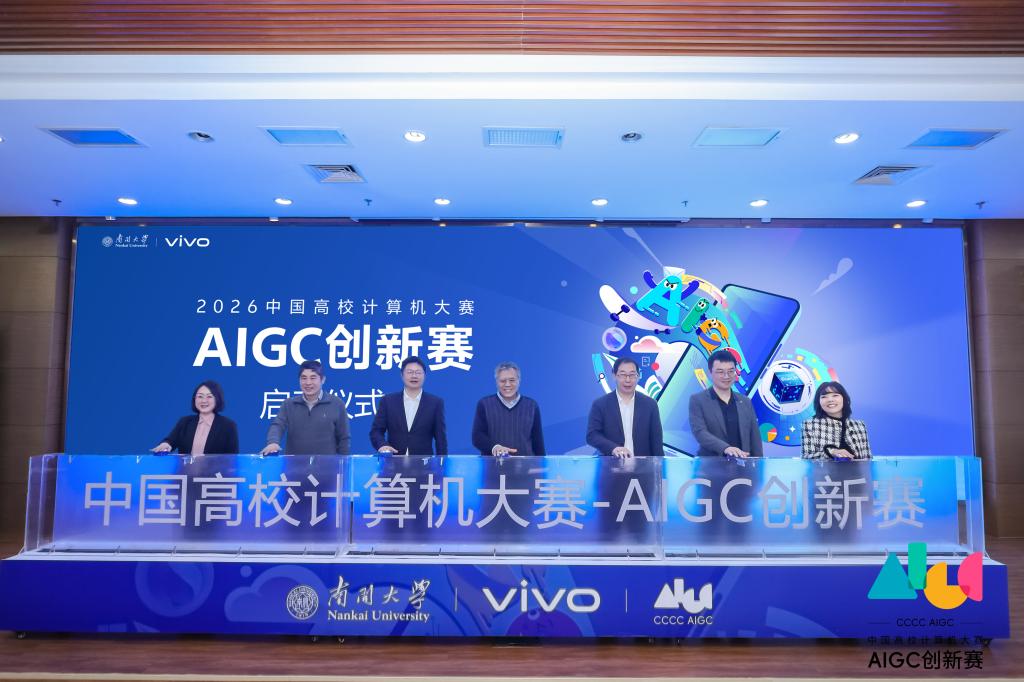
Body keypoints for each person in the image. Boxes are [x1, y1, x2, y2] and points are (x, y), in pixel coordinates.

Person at [260, 360, 351, 455]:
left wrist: (344, 461)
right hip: (294, 463)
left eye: (313, 378)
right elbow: (278, 425)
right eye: (304, 378)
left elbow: (344, 438)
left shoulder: (337, 404)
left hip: (327, 464)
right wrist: (273, 442)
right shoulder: (289, 404)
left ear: (323, 380)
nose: (308, 382)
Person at [688, 349, 763, 458]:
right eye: (720, 372)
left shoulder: (745, 401)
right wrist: (725, 448)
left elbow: (755, 438)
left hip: (742, 464)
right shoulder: (698, 400)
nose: (726, 376)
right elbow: (700, 433)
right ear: (710, 373)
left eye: (731, 371)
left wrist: (759, 463)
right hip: (711, 464)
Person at [586, 357, 664, 458]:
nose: (628, 380)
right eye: (623, 375)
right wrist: (613, 448)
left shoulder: (650, 405)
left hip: (643, 466)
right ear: (614, 375)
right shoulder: (600, 404)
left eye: (632, 375)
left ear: (638, 376)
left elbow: (656, 441)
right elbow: (592, 435)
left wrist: (660, 465)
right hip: (611, 465)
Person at [370, 356, 448, 455]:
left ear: (424, 376)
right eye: (410, 372)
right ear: (402, 375)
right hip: (394, 460)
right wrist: (382, 445)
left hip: (423, 462)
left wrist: (442, 462)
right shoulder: (388, 401)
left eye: (418, 372)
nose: (414, 376)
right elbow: (376, 431)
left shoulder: (435, 403)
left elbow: (441, 438)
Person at [472, 361, 545, 457]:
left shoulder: (532, 406)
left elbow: (537, 441)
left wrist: (542, 463)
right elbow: (477, 437)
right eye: (503, 381)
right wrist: (494, 447)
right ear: (497, 382)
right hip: (493, 464)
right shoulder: (484, 404)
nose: (507, 384)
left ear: (519, 381)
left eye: (512, 380)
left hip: (525, 465)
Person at [151, 380, 239, 455]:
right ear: (194, 399)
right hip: (186, 470)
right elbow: (170, 441)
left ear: (217, 399)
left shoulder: (228, 425)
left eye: (209, 396)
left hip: (215, 471)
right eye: (200, 396)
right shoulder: (185, 422)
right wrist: (166, 444)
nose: (204, 400)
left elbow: (232, 458)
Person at [802, 381, 872, 460]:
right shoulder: (810, 425)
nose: (830, 400)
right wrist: (831, 452)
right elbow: (806, 456)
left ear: (844, 399)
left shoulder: (859, 425)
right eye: (824, 397)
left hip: (858, 468)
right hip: (825, 468)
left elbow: (867, 457)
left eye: (835, 395)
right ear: (818, 402)